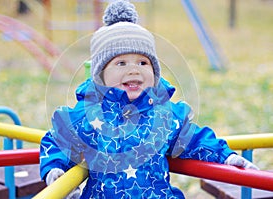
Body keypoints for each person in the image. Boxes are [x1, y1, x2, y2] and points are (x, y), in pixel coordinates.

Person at [39, 1, 258, 198]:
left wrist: (226, 157)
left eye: (143, 63)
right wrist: (55, 171)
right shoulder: (89, 116)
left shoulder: (164, 115)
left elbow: (195, 139)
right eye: (121, 63)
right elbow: (59, 139)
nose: (134, 70)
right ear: (100, 75)